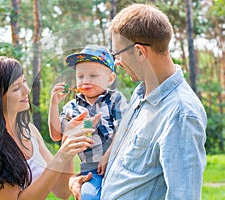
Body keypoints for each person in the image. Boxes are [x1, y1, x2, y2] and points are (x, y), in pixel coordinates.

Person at [69, 3, 207, 200]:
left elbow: (183, 195)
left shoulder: (180, 113)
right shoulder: (140, 95)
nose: (116, 62)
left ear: (140, 52)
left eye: (117, 54)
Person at [0, 56, 98, 200]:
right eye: (16, 88)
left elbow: (62, 191)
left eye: (24, 82)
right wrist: (60, 156)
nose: (26, 91)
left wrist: (67, 140)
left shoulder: (30, 132)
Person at [48, 45, 129, 200]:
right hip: (90, 170)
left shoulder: (115, 100)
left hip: (118, 164)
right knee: (89, 196)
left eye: (93, 76)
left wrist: (108, 155)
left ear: (110, 79)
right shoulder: (72, 107)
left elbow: (124, 129)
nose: (85, 81)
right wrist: (53, 105)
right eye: (80, 76)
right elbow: (57, 135)